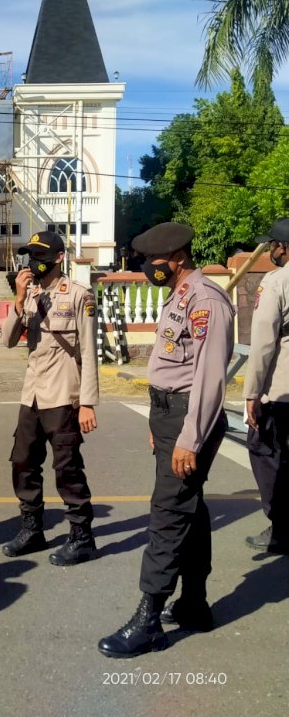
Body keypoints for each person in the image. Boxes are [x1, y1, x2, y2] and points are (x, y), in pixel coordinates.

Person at [98, 222, 234, 659]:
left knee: (169, 511)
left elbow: (210, 380)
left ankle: (148, 619)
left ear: (176, 257)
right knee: (189, 506)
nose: (146, 266)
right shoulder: (179, 295)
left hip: (187, 417)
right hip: (168, 414)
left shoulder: (206, 301)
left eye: (152, 260)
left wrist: (189, 439)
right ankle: (194, 603)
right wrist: (160, 424)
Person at [0, 232, 99, 567]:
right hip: (33, 394)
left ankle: (82, 536)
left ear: (58, 257)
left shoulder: (79, 296)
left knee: (67, 467)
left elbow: (88, 350)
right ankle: (32, 529)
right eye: (30, 255)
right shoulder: (31, 295)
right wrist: (18, 300)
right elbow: (8, 341)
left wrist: (87, 402)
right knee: (23, 462)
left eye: (40, 255)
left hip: (63, 393)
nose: (33, 262)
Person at [243, 217, 289, 554]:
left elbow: (262, 344)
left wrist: (251, 394)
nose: (271, 249)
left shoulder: (275, 282)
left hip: (282, 388)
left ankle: (281, 528)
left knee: (265, 451)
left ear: (282, 247)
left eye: (272, 244)